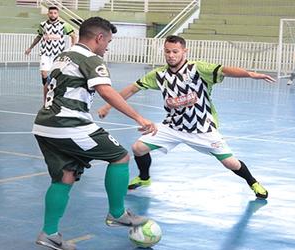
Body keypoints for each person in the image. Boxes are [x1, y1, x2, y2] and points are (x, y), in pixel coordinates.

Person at [98, 35, 275, 200]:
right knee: (138, 148)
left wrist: (250, 74)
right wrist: (108, 105)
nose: (171, 55)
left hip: (202, 128)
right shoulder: (159, 75)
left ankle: (253, 182)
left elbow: (224, 70)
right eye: (167, 51)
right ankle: (144, 178)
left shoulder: (197, 69)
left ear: (184, 51)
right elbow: (132, 88)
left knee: (231, 163)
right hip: (173, 127)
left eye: (175, 51)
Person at [32, 17, 157, 250]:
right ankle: (117, 213)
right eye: (108, 41)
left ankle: (48, 234)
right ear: (99, 38)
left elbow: (47, 86)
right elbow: (106, 91)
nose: (108, 46)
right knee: (120, 157)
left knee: (65, 176)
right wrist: (140, 118)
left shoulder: (63, 56)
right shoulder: (91, 58)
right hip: (69, 124)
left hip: (44, 125)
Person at [25, 6, 78, 98]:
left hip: (58, 54)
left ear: (58, 14)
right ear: (48, 14)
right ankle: (47, 91)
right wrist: (30, 47)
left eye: (55, 13)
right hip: (45, 52)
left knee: (57, 74)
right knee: (44, 73)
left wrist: (72, 48)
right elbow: (39, 36)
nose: (53, 15)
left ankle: (57, 93)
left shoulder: (63, 25)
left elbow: (74, 36)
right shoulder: (43, 24)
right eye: (51, 13)